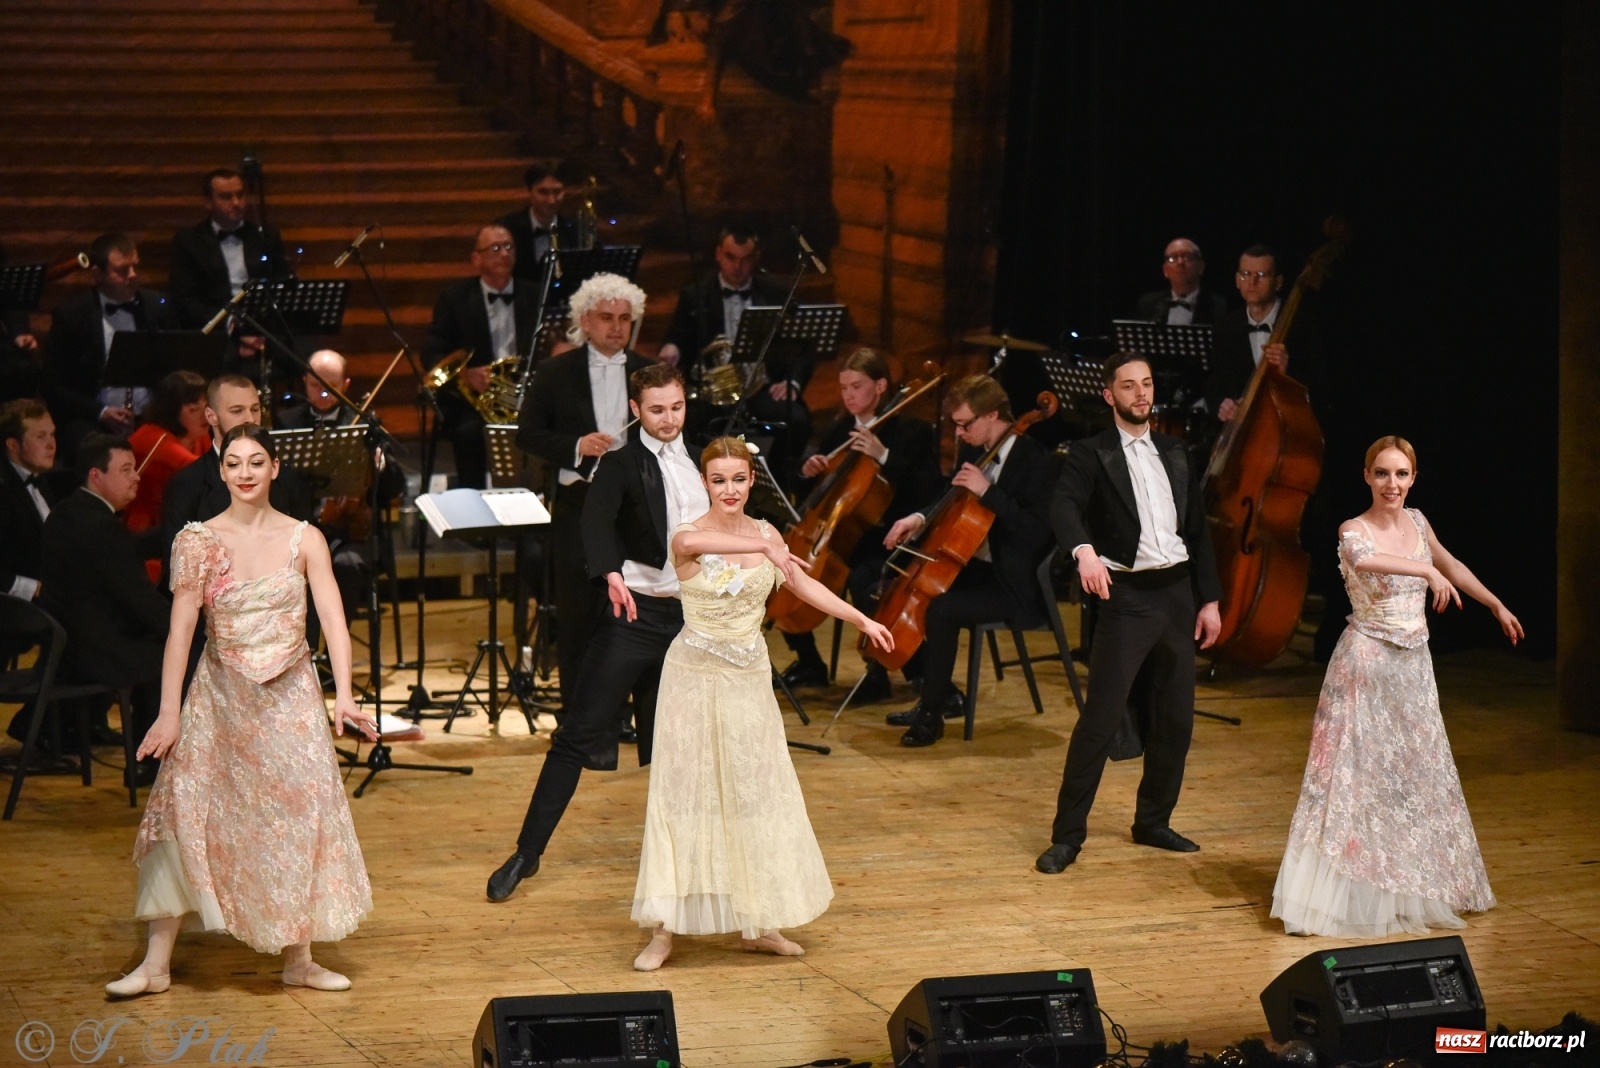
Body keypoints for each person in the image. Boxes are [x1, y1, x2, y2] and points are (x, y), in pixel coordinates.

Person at [104, 424, 379, 1000]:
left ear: (275, 468)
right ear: (222, 470)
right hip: (219, 694)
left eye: (257, 461)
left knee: (298, 817)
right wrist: (168, 712)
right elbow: (180, 634)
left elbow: (331, 618)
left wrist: (346, 695)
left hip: (290, 698)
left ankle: (299, 958)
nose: (246, 472)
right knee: (183, 814)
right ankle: (155, 964)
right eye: (235, 463)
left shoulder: (305, 539)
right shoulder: (198, 541)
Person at [629, 435, 893, 971]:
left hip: (748, 680)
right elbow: (688, 549)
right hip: (693, 678)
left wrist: (861, 618)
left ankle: (760, 922)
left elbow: (805, 586)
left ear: (752, 481)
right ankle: (664, 930)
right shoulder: (688, 533)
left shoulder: (768, 534)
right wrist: (764, 551)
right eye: (719, 479)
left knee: (757, 794)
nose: (730, 489)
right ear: (704, 482)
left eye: (739, 479)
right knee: (686, 797)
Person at [1271, 436, 1518, 937]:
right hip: (1365, 663)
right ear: (1366, 476)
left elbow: (1452, 567)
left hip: (1412, 668)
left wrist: (1494, 604)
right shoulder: (1351, 528)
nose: (1392, 484)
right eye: (1382, 473)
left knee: (1411, 778)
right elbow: (1365, 562)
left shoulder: (1419, 521)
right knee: (1355, 778)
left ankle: (1402, 889)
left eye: (1402, 474)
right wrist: (1423, 568)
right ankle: (1341, 894)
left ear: (1413, 479)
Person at [487, 364, 707, 903]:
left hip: (689, 623)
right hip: (634, 617)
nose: (668, 419)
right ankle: (527, 853)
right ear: (636, 409)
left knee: (675, 749)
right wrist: (610, 572)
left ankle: (682, 868)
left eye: (676, 407)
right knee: (577, 736)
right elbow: (594, 522)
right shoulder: (620, 462)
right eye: (657, 410)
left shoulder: (701, 462)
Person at [1037, 353, 1222, 874]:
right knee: (1099, 721)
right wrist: (1084, 550)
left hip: (1177, 594)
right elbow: (1063, 507)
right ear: (1108, 395)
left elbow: (1198, 530)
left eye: (1146, 384)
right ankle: (1067, 836)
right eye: (1128, 386)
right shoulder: (1090, 453)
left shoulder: (1176, 450)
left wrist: (1209, 600)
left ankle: (1153, 821)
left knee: (1176, 720)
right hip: (1128, 599)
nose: (1141, 394)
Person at [880, 374, 1060, 746]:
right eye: (956, 425)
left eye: (965, 424)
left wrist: (989, 492)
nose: (960, 433)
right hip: (974, 567)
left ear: (993, 414)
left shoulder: (1037, 462)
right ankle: (935, 691)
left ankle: (933, 714)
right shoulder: (975, 451)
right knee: (887, 583)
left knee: (942, 609)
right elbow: (951, 498)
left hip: (1013, 582)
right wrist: (918, 518)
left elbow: (1037, 533)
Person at [515, 273, 653, 714]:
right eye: (607, 318)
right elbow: (528, 434)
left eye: (625, 319)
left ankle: (631, 713)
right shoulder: (557, 372)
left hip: (635, 509)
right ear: (585, 321)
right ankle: (577, 716)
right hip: (577, 506)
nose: (616, 327)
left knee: (637, 611)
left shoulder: (647, 373)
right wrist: (577, 446)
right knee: (577, 614)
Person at [777, 348, 938, 703]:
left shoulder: (911, 431)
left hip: (893, 533)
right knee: (782, 569)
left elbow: (925, 490)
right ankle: (809, 663)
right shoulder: (840, 430)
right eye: (844, 387)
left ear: (880, 386)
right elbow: (822, 493)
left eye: (857, 386)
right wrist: (810, 472)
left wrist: (884, 456)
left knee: (864, 579)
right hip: (844, 533)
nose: (848, 395)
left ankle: (882, 672)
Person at [38, 434, 172, 772]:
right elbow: (139, 601)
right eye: (126, 469)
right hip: (94, 652)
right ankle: (151, 761)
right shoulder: (100, 525)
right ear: (96, 476)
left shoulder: (68, 511)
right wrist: (187, 628)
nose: (136, 476)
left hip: (68, 644)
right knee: (176, 655)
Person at [657, 226, 810, 482]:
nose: (738, 266)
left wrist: (792, 383)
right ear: (718, 254)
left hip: (761, 387)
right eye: (731, 257)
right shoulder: (696, 294)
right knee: (685, 424)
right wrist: (671, 348)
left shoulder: (776, 292)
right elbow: (676, 337)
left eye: (746, 259)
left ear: (755, 258)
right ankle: (696, 487)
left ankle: (779, 484)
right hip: (713, 392)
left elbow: (803, 346)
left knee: (797, 421)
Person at [41, 232, 180, 463]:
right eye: (122, 270)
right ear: (97, 274)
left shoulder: (157, 307)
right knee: (94, 456)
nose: (133, 276)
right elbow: (52, 385)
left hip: (151, 416)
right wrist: (101, 411)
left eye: (135, 267)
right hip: (92, 418)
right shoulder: (72, 315)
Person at [422, 225, 541, 489]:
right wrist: (466, 376)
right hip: (475, 403)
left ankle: (533, 512)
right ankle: (475, 517)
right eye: (495, 248)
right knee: (468, 434)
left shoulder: (534, 296)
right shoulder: (454, 299)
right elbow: (432, 351)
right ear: (476, 259)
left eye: (509, 247)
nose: (504, 254)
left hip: (525, 396)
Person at [167, 168, 290, 379]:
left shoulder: (266, 236)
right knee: (224, 366)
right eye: (226, 197)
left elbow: (283, 285)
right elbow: (184, 301)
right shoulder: (189, 241)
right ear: (208, 202)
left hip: (264, 329)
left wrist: (259, 330)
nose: (237, 203)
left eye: (240, 195)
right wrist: (232, 327)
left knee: (312, 359)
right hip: (217, 331)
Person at [1205, 244, 1299, 424]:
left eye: (1262, 275)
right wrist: (1223, 405)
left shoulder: (1301, 322)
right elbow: (1215, 383)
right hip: (1242, 429)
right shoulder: (1226, 326)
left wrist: (1289, 371)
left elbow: (1324, 386)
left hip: (1288, 423)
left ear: (1278, 282)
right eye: (1246, 274)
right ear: (1237, 281)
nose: (1252, 282)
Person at [127, 370, 210, 547]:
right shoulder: (153, 438)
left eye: (206, 404)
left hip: (182, 521)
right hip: (148, 533)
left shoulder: (199, 434)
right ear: (172, 409)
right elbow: (206, 473)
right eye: (194, 407)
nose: (205, 414)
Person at [497, 161, 578, 283]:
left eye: (557, 192)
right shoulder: (506, 228)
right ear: (529, 191)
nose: (551, 200)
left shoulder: (575, 230)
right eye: (543, 192)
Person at [1134, 238, 1228, 326]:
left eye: (1187, 257)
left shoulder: (1218, 306)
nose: (1180, 262)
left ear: (1201, 266)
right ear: (1165, 270)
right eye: (1172, 258)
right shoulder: (1148, 303)